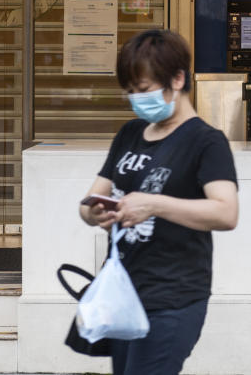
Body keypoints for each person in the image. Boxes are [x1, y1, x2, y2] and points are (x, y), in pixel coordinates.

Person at [79, 29, 239, 375]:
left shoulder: (206, 142)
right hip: (123, 293)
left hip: (174, 298)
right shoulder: (130, 134)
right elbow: (90, 201)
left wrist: (154, 205)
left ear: (178, 79)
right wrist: (96, 213)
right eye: (131, 92)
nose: (136, 100)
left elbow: (226, 212)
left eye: (145, 90)